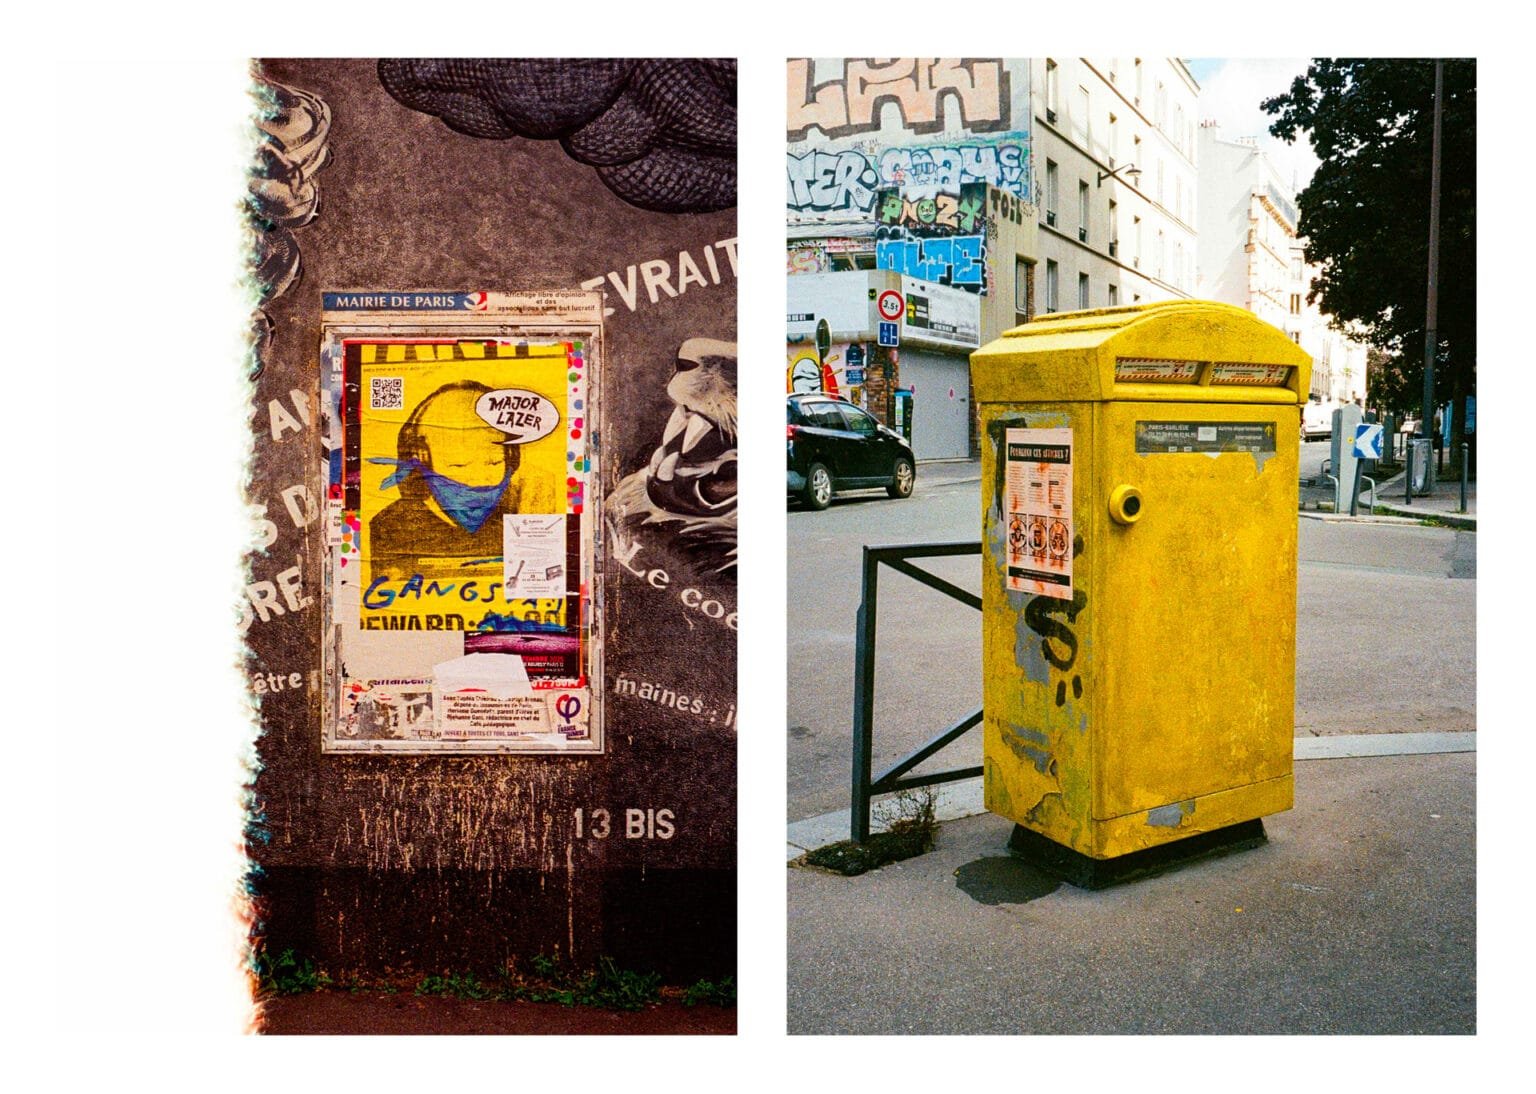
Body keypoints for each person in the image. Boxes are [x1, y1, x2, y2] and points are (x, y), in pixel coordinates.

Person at [367, 381, 556, 580]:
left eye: (494, 462)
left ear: (510, 457)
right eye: (459, 465)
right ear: (421, 460)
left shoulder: (521, 513)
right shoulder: (389, 527)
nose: (480, 480)